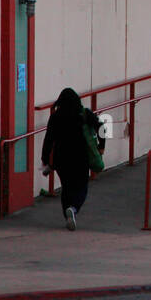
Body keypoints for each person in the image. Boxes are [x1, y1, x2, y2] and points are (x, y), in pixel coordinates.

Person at [40, 87, 105, 230]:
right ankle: (74, 208)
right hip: (81, 156)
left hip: (61, 159)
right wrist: (101, 146)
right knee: (82, 187)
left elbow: (49, 139)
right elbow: (101, 127)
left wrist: (45, 158)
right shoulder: (84, 113)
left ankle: (67, 212)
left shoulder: (56, 116)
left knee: (67, 187)